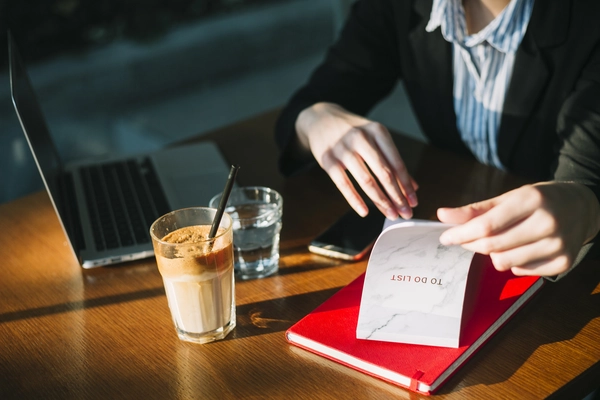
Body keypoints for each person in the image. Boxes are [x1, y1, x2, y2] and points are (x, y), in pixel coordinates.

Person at [274, 0, 600, 279]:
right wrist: (314, 118)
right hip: (455, 248)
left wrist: (586, 207)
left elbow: (586, 178)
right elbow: (309, 103)